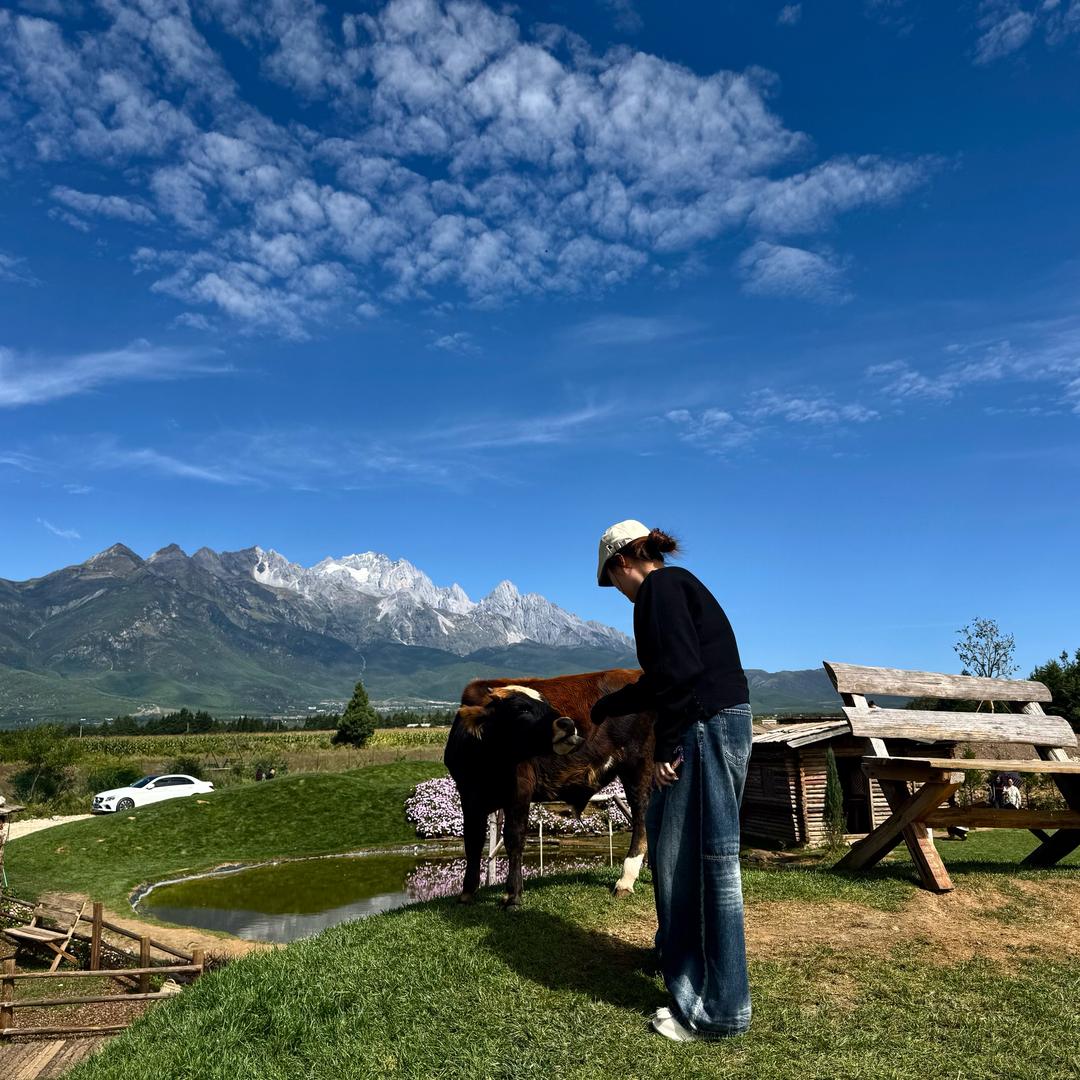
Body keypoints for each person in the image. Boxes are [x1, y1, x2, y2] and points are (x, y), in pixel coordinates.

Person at [589, 519, 752, 1042]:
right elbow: (669, 677)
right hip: (718, 721)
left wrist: (669, 745)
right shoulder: (679, 585)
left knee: (696, 865)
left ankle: (714, 1010)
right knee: (681, 850)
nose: (615, 591)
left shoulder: (657, 590)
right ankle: (681, 964)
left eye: (610, 579)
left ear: (621, 564)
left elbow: (679, 675)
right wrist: (609, 703)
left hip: (701, 730)